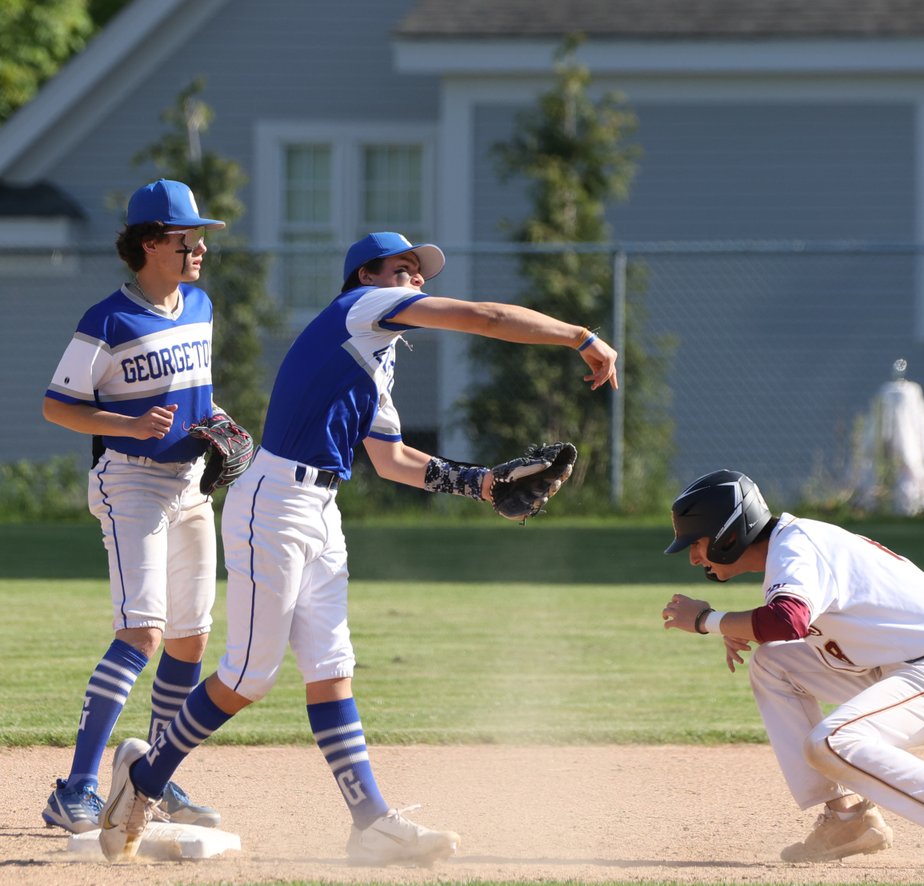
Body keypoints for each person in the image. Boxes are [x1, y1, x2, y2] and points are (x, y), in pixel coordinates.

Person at [96, 231, 619, 865]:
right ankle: (142, 779)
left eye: (419, 273)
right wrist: (579, 336)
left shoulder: (375, 358)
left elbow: (392, 459)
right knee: (249, 675)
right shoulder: (360, 309)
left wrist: (480, 484)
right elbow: (482, 318)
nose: (417, 281)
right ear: (366, 277)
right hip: (274, 504)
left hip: (320, 509)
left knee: (331, 670)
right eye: (404, 269)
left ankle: (371, 824)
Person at [660, 470, 924, 870]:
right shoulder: (793, 545)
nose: (693, 557)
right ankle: (848, 819)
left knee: (830, 743)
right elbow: (786, 629)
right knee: (774, 663)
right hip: (898, 664)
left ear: (727, 535)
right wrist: (736, 625)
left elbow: (787, 621)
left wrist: (708, 619)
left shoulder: (795, 549)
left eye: (696, 543)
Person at [41, 179, 240, 833]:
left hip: (189, 485)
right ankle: (74, 789)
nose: (200, 246)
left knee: (190, 636)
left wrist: (215, 420)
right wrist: (125, 426)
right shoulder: (108, 320)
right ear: (153, 243)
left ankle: (152, 776)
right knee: (143, 632)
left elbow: (196, 392)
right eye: (189, 237)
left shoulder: (200, 304)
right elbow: (57, 405)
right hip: (129, 482)